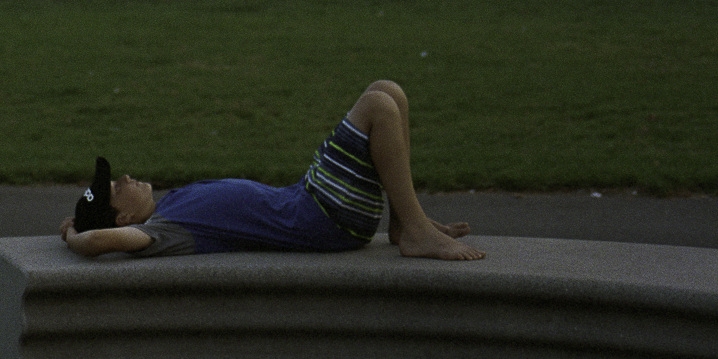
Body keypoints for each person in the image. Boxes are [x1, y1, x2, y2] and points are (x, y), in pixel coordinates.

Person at [59, 79, 483, 263]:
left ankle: (405, 223)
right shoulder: (162, 231)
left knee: (387, 91)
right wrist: (75, 234)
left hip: (309, 201)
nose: (126, 178)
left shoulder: (171, 205)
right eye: (117, 187)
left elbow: (100, 230)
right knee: (379, 107)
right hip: (321, 216)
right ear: (124, 218)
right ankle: (416, 233)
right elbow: (98, 241)